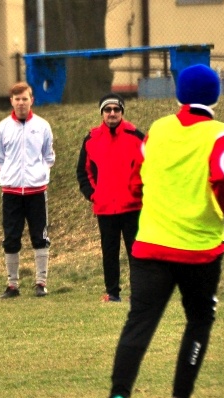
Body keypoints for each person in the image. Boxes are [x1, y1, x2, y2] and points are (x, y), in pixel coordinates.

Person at [103, 64, 224, 398]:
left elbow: (137, 177)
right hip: (199, 249)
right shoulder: (222, 135)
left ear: (179, 95)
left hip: (151, 244)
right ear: (216, 97)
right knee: (199, 319)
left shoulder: (158, 130)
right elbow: (223, 179)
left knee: (139, 323)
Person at [76, 93, 145, 303]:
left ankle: (138, 292)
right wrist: (93, 194)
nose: (112, 113)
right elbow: (83, 172)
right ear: (102, 113)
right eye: (108, 110)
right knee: (109, 251)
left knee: (136, 251)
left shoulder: (136, 136)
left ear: (122, 112)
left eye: (116, 109)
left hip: (132, 206)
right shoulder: (91, 139)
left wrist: (140, 193)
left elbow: (150, 168)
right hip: (105, 207)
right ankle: (112, 292)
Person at [0, 81, 55, 298]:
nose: (21, 103)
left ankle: (41, 283)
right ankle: (12, 285)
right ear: (11, 101)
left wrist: (40, 175)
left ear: (31, 100)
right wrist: (6, 178)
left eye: (25, 99)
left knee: (40, 236)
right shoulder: (2, 128)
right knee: (11, 237)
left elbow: (48, 156)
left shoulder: (43, 126)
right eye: (17, 99)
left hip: (36, 191)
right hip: (11, 193)